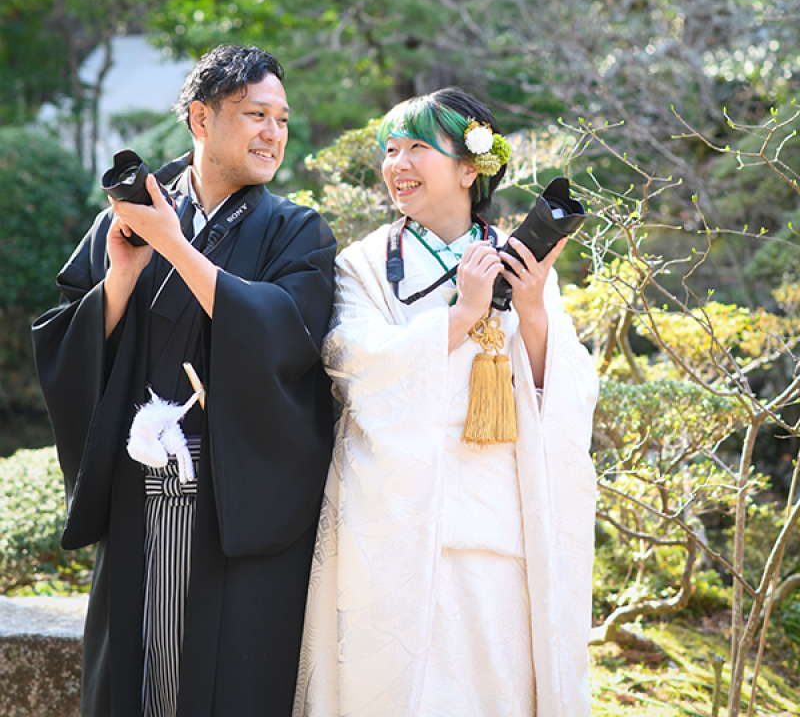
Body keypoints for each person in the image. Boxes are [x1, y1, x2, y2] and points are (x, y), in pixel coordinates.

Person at [33, 44, 337, 717]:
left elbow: (288, 335)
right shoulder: (130, 216)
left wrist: (173, 246)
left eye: (281, 119)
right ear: (201, 119)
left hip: (240, 502)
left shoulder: (297, 231)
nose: (273, 134)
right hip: (142, 484)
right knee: (139, 678)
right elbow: (68, 339)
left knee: (234, 682)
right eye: (256, 114)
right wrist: (120, 276)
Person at [294, 87, 598, 717]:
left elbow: (565, 393)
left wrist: (535, 308)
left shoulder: (525, 263)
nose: (396, 164)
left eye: (417, 149)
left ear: (469, 168)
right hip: (399, 512)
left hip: (499, 511)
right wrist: (462, 314)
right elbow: (352, 363)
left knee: (496, 681)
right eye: (390, 150)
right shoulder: (366, 264)